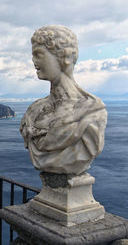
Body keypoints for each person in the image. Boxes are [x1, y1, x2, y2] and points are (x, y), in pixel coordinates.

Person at [20, 25, 107, 175]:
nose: (33, 61)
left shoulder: (93, 111)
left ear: (62, 57)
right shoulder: (34, 111)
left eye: (38, 54)